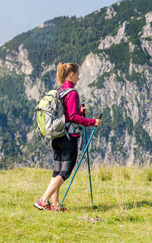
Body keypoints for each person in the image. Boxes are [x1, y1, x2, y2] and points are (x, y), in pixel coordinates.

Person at [34, 62, 102, 212]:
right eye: (78, 74)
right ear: (71, 74)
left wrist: (79, 111)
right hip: (68, 138)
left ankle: (55, 204)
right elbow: (71, 117)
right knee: (65, 173)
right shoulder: (72, 93)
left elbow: (67, 113)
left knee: (57, 172)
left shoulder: (60, 92)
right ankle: (43, 200)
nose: (79, 77)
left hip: (57, 137)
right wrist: (92, 122)